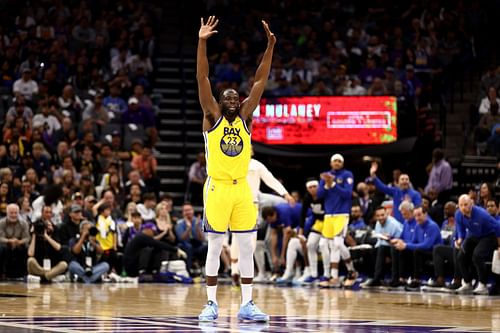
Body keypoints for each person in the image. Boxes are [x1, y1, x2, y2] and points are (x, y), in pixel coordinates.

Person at [196, 16, 275, 322]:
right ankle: (211, 303)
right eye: (226, 96)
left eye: (235, 97)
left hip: (242, 187)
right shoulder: (211, 115)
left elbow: (259, 81)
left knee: (246, 246)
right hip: (216, 186)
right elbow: (202, 78)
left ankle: (247, 303)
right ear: (218, 101)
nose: (232, 99)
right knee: (215, 246)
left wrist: (270, 46)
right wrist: (202, 41)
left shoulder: (245, 117)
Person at [317, 154, 358, 288]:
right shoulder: (325, 176)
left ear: (342, 163)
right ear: (331, 163)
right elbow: (319, 195)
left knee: (338, 244)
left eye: (339, 161)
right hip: (329, 215)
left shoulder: (347, 175)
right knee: (323, 244)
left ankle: (343, 273)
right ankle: (332, 274)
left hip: (342, 214)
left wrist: (333, 184)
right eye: (335, 161)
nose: (337, 163)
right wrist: (327, 185)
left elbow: (347, 194)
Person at [455, 194, 500, 295]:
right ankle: (467, 283)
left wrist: (499, 246)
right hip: (474, 235)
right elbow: (460, 228)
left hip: (489, 235)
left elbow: (498, 227)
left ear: (471, 203)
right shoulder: (458, 214)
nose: (463, 207)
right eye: (461, 205)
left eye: (465, 204)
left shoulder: (482, 214)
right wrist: (460, 239)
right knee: (461, 255)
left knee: (477, 255)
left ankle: (482, 284)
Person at [27, 206, 68, 282]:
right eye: (46, 212)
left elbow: (58, 248)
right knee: (30, 261)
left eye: (50, 212)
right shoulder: (36, 227)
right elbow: (30, 254)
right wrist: (34, 234)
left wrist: (47, 236)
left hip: (52, 265)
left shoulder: (55, 228)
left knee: (64, 264)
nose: (48, 214)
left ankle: (43, 278)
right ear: (42, 213)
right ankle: (49, 276)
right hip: (38, 266)